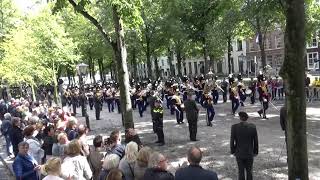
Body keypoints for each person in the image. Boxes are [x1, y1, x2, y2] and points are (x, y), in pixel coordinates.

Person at [230, 112, 258, 180]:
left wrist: (233, 151)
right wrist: (255, 151)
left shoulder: (234, 127)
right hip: (249, 152)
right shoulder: (253, 127)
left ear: (240, 118)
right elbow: (256, 141)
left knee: (241, 171)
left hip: (239, 152)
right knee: (249, 171)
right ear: (246, 118)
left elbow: (232, 140)